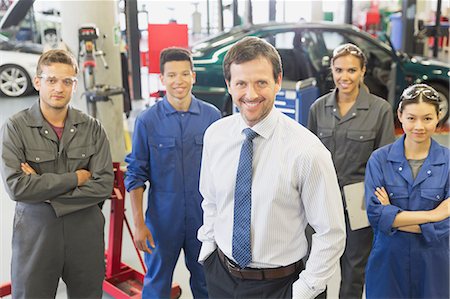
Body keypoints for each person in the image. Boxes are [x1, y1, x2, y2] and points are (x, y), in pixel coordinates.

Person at [197, 36, 346, 299]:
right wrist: (208, 248)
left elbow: (330, 233)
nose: (251, 94)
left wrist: (303, 290)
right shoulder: (215, 136)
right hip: (221, 276)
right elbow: (211, 200)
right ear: (229, 85)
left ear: (278, 82)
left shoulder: (306, 151)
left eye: (261, 82)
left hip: (282, 286)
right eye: (241, 83)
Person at [0, 49, 114, 298]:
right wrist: (76, 178)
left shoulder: (92, 128)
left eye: (67, 81)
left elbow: (104, 184)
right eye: (51, 80)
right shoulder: (16, 128)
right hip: (36, 233)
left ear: (75, 85)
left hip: (85, 233)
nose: (59, 88)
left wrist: (44, 190)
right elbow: (17, 187)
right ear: (38, 81)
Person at [124, 47, 220, 298]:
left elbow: (224, 171)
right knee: (157, 283)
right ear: (162, 79)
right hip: (162, 219)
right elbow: (136, 174)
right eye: (172, 75)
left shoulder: (212, 117)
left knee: (207, 282)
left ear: (193, 76)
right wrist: (139, 224)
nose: (179, 81)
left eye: (185, 74)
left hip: (204, 217)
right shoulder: (147, 121)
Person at [307, 43, 395, 298]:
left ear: (363, 71)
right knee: (315, 267)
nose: (345, 77)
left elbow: (383, 163)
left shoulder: (380, 110)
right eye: (339, 70)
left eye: (352, 70)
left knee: (355, 271)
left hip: (359, 201)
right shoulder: (318, 108)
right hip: (320, 200)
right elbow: (308, 156)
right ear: (332, 71)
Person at [364, 83, 449, 299]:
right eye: (411, 118)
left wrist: (393, 217)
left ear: (438, 116)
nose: (418, 126)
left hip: (434, 265)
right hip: (388, 264)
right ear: (400, 115)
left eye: (427, 118)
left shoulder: (448, 163)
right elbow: (375, 215)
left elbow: (446, 225)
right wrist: (432, 215)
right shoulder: (379, 160)